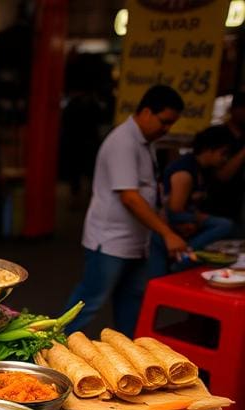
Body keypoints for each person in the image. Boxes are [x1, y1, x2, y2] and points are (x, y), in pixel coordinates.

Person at [65, 85, 186, 336]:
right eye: (164, 122)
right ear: (146, 112)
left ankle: (129, 357)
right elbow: (130, 198)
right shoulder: (123, 142)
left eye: (170, 124)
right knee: (89, 302)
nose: (166, 129)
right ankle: (50, 351)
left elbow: (146, 192)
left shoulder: (145, 141)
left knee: (131, 302)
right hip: (109, 241)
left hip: (135, 242)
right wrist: (166, 233)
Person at [149, 126, 234, 278]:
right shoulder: (185, 172)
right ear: (209, 150)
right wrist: (197, 219)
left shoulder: (202, 169)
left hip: (180, 218)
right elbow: (175, 209)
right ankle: (184, 256)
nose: (225, 159)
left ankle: (184, 256)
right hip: (167, 220)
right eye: (223, 153)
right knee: (224, 225)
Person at [203, 91, 245, 228]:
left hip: (239, 206)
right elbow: (222, 176)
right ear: (233, 110)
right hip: (214, 205)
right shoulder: (215, 134)